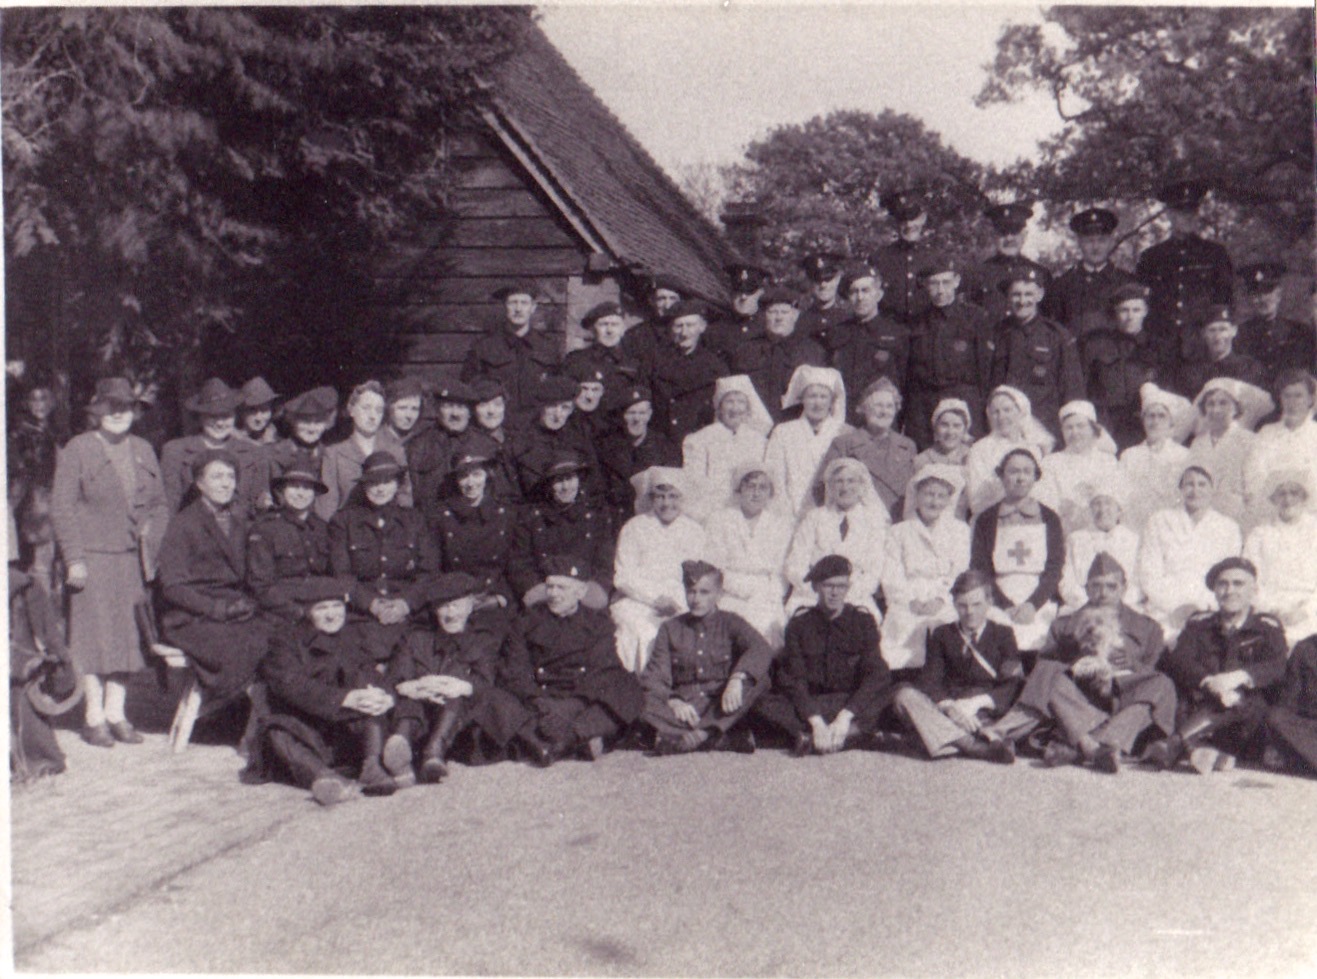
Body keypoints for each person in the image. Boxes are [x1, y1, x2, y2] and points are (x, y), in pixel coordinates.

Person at [51, 378, 171, 747]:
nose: (119, 414)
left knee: (127, 640)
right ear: (97, 411)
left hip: (132, 560)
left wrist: (151, 539)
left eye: (126, 407)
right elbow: (62, 507)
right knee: (93, 640)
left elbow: (160, 504)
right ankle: (93, 718)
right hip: (93, 558)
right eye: (111, 407)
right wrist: (74, 559)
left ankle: (117, 714)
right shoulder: (79, 448)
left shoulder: (143, 449)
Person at [982, 553, 1173, 773]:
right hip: (1076, 698)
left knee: (1162, 685)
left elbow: (1152, 671)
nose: (1103, 594)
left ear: (1124, 588)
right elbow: (1042, 672)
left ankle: (1085, 744)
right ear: (1086, 589)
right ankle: (1094, 746)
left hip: (1123, 699)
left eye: (1111, 586)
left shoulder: (1148, 628)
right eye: (1096, 586)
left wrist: (1132, 664)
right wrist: (1076, 657)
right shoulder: (1063, 626)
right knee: (1047, 670)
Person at [244, 577, 397, 805]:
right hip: (304, 725)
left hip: (342, 728)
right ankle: (325, 779)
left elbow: (370, 672)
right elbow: (291, 684)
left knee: (373, 704)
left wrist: (383, 696)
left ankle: (372, 766)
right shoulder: (284, 640)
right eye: (322, 608)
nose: (332, 614)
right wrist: (344, 698)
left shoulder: (351, 637)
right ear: (307, 611)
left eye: (337, 606)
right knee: (277, 733)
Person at [499, 558, 644, 764]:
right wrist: (538, 701)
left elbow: (603, 669)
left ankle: (568, 737)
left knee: (627, 686)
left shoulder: (598, 623)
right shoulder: (526, 621)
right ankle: (580, 739)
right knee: (498, 699)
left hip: (580, 698)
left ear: (580, 591)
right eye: (550, 587)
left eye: (562, 587)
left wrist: (573, 705)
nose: (553, 594)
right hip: (542, 697)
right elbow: (516, 669)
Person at [1148, 557, 1286, 773]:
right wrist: (1208, 681)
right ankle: (1208, 753)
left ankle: (1176, 744)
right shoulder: (1199, 625)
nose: (1229, 591)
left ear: (1254, 590)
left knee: (1245, 701)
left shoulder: (1267, 627)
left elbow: (1276, 666)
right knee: (1183, 699)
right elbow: (1180, 660)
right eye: (1223, 584)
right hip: (1203, 704)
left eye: (1238, 584)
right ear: (1214, 590)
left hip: (1244, 716)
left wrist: (1239, 677)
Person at [156, 450, 272, 708]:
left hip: (234, 611)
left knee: (276, 637)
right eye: (217, 477)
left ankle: (258, 714)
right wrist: (215, 608)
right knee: (238, 646)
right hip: (191, 617)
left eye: (230, 477)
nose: (225, 484)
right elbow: (173, 586)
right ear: (200, 483)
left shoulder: (240, 520)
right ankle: (225, 711)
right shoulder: (183, 524)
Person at [384, 573, 524, 783]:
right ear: (435, 610)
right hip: (419, 714)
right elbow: (396, 677)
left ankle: (433, 753)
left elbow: (485, 682)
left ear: (470, 606)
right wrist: (415, 686)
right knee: (409, 703)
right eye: (444, 607)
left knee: (455, 695)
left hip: (456, 723)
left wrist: (461, 686)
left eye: (456, 606)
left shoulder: (482, 641)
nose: (451, 614)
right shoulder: (416, 639)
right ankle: (400, 745)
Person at [754, 555, 893, 754]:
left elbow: (877, 673)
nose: (835, 593)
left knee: (895, 693)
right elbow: (793, 678)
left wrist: (846, 716)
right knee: (762, 701)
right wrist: (816, 721)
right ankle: (854, 735)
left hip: (849, 702)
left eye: (841, 586)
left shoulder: (863, 621)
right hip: (814, 704)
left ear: (848, 588)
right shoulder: (799, 624)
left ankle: (808, 738)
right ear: (815, 587)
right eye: (828, 586)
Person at [639, 560, 774, 753]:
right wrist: (674, 701)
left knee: (759, 680)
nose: (696, 599)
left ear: (719, 594)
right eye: (691, 591)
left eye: (704, 592)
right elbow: (656, 676)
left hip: (721, 703)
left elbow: (761, 648)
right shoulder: (670, 628)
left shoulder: (731, 622)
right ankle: (718, 737)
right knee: (640, 700)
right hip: (686, 708)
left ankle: (697, 736)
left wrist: (736, 679)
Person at [890, 569, 1021, 763]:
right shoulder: (942, 635)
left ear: (989, 602)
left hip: (984, 714)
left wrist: (976, 703)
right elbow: (930, 680)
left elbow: (1012, 683)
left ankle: (949, 740)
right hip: (949, 713)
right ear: (954, 604)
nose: (970, 612)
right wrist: (950, 708)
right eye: (962, 605)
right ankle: (973, 746)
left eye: (977, 604)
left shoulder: (1003, 634)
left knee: (1012, 716)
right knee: (903, 695)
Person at [328, 452, 440, 657]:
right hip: (362, 615)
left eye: (387, 481)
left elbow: (429, 573)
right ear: (364, 486)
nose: (380, 489)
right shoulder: (344, 522)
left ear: (397, 484)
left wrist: (406, 603)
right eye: (373, 483)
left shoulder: (415, 521)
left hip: (409, 614)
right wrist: (372, 604)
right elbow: (341, 575)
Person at [1135, 180, 1234, 384]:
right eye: (1181, 212)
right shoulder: (1151, 257)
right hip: (1162, 351)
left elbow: (1225, 303)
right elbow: (1142, 307)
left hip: (1202, 351)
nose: (1188, 217)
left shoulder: (1215, 254)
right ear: (1170, 215)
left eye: (1192, 211)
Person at [610, 467, 707, 672]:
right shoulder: (634, 527)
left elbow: (701, 576)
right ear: (651, 498)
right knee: (642, 631)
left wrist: (679, 602)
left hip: (681, 600)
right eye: (660, 496)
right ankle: (641, 684)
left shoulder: (694, 531)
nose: (666, 503)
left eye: (673, 496)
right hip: (637, 600)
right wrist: (654, 599)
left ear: (682, 498)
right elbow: (623, 576)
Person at [969, 447, 1065, 651]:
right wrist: (1005, 605)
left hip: (1039, 594)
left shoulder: (1050, 518)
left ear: (1035, 477)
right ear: (1002, 476)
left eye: (1026, 472)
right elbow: (981, 568)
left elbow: (1055, 567)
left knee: (1040, 637)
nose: (1020, 478)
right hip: (997, 595)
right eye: (1013, 471)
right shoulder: (986, 519)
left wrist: (1032, 604)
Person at [880, 465, 971, 670]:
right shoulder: (899, 531)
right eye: (929, 494)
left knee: (949, 629)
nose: (934, 501)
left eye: (941, 496)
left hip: (946, 596)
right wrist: (910, 600)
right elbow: (891, 574)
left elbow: (959, 571)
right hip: (908, 598)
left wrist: (940, 599)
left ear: (948, 500)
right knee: (901, 634)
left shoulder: (959, 531)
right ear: (917, 496)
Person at [1136, 465, 1242, 641]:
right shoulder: (1159, 521)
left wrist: (1200, 608)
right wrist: (1174, 607)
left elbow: (1228, 577)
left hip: (1210, 607)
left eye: (1202, 484)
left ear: (1212, 489)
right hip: (1164, 609)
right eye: (1189, 484)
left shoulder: (1228, 527)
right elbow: (1148, 574)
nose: (1195, 491)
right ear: (1180, 488)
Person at [785, 457, 889, 622]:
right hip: (812, 595)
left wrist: (844, 594)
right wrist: (819, 591)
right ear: (831, 487)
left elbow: (874, 571)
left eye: (851, 481)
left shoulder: (873, 521)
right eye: (839, 481)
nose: (845, 487)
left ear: (861, 486)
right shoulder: (814, 517)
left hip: (855, 595)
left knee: (863, 622)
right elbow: (795, 563)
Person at [905, 253, 992, 449]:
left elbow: (985, 371)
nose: (940, 290)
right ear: (926, 285)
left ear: (956, 281)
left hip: (963, 401)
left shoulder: (975, 318)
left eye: (945, 282)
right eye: (934, 283)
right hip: (924, 405)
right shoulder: (916, 321)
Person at [701, 463, 793, 647]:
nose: (756, 493)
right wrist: (740, 588)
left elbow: (782, 571)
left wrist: (769, 594)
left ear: (770, 492)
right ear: (739, 489)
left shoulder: (780, 525)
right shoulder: (720, 520)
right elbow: (713, 566)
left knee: (772, 637)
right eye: (751, 486)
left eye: (763, 487)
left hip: (766, 595)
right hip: (729, 594)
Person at [508, 455, 615, 611]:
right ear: (549, 484)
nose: (565, 487)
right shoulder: (533, 518)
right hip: (546, 598)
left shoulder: (596, 516)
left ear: (579, 479)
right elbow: (520, 563)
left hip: (583, 599)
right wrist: (544, 592)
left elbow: (605, 563)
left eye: (570, 478)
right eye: (559, 480)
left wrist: (586, 592)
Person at [989, 267, 1085, 438]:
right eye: (1016, 294)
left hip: (1044, 425)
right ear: (1008, 297)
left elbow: (1072, 388)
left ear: (1039, 295)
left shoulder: (1057, 335)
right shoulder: (996, 333)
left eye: (1028, 294)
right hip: (1003, 425)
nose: (1022, 301)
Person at [161, 378, 269, 518]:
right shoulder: (176, 450)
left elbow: (260, 506)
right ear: (200, 417)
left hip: (240, 528)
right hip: (193, 528)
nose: (220, 423)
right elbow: (169, 504)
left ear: (235, 415)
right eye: (212, 416)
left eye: (226, 415)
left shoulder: (254, 453)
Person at [817, 377, 917, 519]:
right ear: (864, 409)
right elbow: (822, 488)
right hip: (859, 522)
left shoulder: (907, 446)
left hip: (897, 521)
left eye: (890, 406)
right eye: (878, 405)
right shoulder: (844, 444)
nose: (884, 411)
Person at [460, 280, 561, 418]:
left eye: (524, 303)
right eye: (513, 302)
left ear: (533, 307)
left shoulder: (548, 347)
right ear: (504, 306)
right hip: (498, 422)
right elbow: (469, 388)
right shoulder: (484, 348)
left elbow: (557, 390)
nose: (518, 309)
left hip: (537, 424)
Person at [764, 365, 852, 520]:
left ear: (831, 401)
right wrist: (785, 512)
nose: (817, 403)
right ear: (802, 399)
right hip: (790, 513)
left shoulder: (844, 432)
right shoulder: (783, 432)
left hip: (832, 513)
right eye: (812, 396)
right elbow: (774, 475)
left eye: (823, 397)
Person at [245, 467, 332, 623]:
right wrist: (300, 612)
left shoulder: (322, 528)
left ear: (314, 493)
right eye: (294, 487)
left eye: (307, 488)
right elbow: (261, 587)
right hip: (282, 613)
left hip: (323, 607)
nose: (300, 493)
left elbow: (334, 576)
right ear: (282, 491)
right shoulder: (266, 528)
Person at [681, 374, 773, 522]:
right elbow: (694, 484)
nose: (735, 408)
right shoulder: (700, 440)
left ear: (748, 408)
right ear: (719, 408)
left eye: (741, 402)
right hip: (711, 514)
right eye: (729, 401)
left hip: (749, 514)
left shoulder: (760, 442)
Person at [1081, 282, 1162, 450]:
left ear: (1145, 312)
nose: (1130, 316)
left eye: (1136, 310)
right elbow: (1088, 387)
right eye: (1124, 310)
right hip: (1109, 425)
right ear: (1116, 312)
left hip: (1145, 425)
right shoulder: (1098, 346)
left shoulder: (1157, 346)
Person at [317, 380, 412, 521]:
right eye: (366, 408)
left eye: (378, 410)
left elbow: (405, 499)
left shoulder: (395, 451)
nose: (372, 416)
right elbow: (326, 507)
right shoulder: (334, 454)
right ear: (351, 410)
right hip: (347, 529)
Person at [431, 452, 516, 610]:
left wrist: (501, 597)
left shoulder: (505, 514)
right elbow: (433, 566)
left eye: (477, 475)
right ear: (456, 480)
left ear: (487, 476)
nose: (470, 483)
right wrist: (451, 597)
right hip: (454, 598)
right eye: (463, 476)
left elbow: (514, 563)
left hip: (493, 596)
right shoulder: (441, 516)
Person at [727, 288, 826, 422]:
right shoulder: (746, 351)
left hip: (796, 426)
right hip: (754, 425)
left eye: (784, 312)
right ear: (764, 315)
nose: (778, 318)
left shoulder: (813, 352)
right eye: (772, 312)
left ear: (795, 315)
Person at [1243, 469, 1317, 646]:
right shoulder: (1259, 534)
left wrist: (1306, 610)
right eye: (1282, 493)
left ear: (1304, 497)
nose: (1288, 499)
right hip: (1270, 608)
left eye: (1294, 493)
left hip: (1310, 609)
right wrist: (1271, 609)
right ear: (1273, 499)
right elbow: (1249, 579)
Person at [828, 264, 910, 421]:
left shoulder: (897, 333)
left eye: (865, 291)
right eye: (854, 292)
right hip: (844, 418)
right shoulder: (837, 333)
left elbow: (905, 382)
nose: (860, 298)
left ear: (878, 295)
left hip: (881, 419)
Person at [1187, 376, 1273, 525]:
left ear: (1236, 408)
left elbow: (1256, 489)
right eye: (1210, 404)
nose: (1216, 409)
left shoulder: (1249, 441)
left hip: (1235, 517)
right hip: (1201, 518)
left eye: (1223, 403)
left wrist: (1248, 523)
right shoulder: (1198, 443)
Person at [509, 375, 603, 504]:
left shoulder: (578, 439)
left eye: (565, 408)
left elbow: (595, 485)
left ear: (572, 410)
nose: (558, 415)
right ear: (540, 406)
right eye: (552, 406)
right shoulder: (522, 441)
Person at [964, 385, 1055, 517]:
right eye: (996, 412)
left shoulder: (1034, 448)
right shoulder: (980, 449)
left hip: (1032, 516)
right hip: (994, 517)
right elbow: (975, 497)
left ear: (1020, 412)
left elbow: (1044, 489)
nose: (1001, 417)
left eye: (1007, 410)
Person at [595, 385, 681, 523]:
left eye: (642, 413)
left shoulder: (664, 448)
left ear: (649, 414)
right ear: (622, 415)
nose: (637, 419)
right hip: (616, 518)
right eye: (631, 413)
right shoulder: (606, 447)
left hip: (652, 519)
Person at [1117, 382, 1195, 533]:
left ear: (1171, 421)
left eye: (1161, 416)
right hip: (1134, 526)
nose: (1155, 421)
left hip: (1170, 527)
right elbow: (1120, 494)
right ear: (1143, 420)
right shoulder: (1129, 456)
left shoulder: (1183, 455)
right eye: (1150, 416)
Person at [9, 379, 64, 589]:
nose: (39, 405)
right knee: (39, 560)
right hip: (35, 502)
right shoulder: (20, 434)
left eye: (44, 399)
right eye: (34, 399)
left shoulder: (58, 431)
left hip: (58, 497)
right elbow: (21, 473)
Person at [1046, 207, 1136, 337]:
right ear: (1079, 243)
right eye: (1089, 241)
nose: (1096, 247)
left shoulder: (1127, 282)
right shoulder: (1062, 285)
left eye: (1101, 240)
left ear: (1110, 242)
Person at [649, 299, 729, 444]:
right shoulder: (655, 361)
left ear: (702, 327)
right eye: (678, 326)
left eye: (690, 325)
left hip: (701, 440)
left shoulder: (715, 366)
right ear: (670, 329)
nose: (684, 333)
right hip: (663, 441)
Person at [1035, 400, 1120, 535]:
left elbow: (1116, 501)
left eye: (1080, 426)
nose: (1074, 432)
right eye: (1069, 428)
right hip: (1065, 531)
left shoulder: (1108, 461)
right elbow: (1045, 502)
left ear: (1093, 429)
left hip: (1104, 532)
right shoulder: (1050, 462)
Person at [398, 378, 476, 525]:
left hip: (472, 527)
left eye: (461, 407)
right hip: (430, 526)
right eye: (448, 406)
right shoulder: (418, 445)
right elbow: (407, 496)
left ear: (470, 412)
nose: (455, 414)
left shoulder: (482, 445)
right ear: (437, 409)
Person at [1244, 370, 1317, 523]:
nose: (1292, 402)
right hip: (1270, 514)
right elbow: (1253, 473)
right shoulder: (1266, 433)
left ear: (1311, 399)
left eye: (1298, 395)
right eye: (1287, 395)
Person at [964, 202, 1051, 324]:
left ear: (1024, 235)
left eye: (1014, 232)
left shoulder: (1041, 273)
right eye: (1003, 233)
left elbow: (1049, 319)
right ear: (994, 236)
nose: (1009, 238)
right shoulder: (978, 274)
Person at [1235, 261, 1315, 390]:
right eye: (1256, 294)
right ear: (1249, 299)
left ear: (1278, 294)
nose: (1262, 299)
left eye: (1267, 292)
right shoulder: (1240, 334)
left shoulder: (1301, 332)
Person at [1058, 490, 1141, 613]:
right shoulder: (1075, 539)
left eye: (1108, 503)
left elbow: (1138, 583)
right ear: (1090, 510)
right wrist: (1088, 604)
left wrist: (1116, 605)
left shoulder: (1134, 540)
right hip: (1082, 607)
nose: (1102, 509)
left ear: (1119, 510)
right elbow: (1067, 581)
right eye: (1097, 504)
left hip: (1124, 608)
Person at [563, 301, 646, 416]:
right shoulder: (576, 360)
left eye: (615, 325)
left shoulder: (634, 362)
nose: (609, 331)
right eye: (603, 324)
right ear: (593, 329)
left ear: (623, 330)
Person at [871, 190, 935, 325]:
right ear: (895, 223)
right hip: (890, 332)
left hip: (928, 332)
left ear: (923, 218)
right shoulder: (879, 258)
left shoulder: (936, 257)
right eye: (902, 220)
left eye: (913, 218)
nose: (909, 225)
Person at [1177, 306, 1267, 398]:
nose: (1217, 337)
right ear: (1203, 333)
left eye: (1223, 329)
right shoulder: (1192, 372)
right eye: (1212, 330)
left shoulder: (1249, 368)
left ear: (1234, 331)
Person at [906, 399, 974, 520]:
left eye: (957, 426)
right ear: (935, 428)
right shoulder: (922, 461)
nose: (950, 432)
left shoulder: (972, 458)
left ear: (965, 430)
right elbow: (912, 503)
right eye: (944, 425)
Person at [1262, 634, 1317, 777]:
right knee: (1276, 717)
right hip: (1311, 727)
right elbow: (1288, 701)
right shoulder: (1305, 649)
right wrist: (1275, 741)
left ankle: (1299, 760)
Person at [265, 385, 337, 488]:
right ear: (292, 420)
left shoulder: (331, 456)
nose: (312, 428)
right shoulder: (272, 453)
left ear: (327, 424)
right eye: (305, 421)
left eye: (318, 422)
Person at [467, 377, 522, 504]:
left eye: (497, 404)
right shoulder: (468, 444)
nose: (491, 411)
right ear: (473, 409)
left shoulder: (516, 439)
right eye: (483, 404)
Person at [706, 263, 769, 360]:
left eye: (749, 292)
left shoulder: (768, 330)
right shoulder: (715, 328)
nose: (743, 297)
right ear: (731, 292)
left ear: (760, 293)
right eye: (738, 291)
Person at [794, 251, 851, 350]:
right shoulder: (800, 319)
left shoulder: (850, 316)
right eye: (817, 280)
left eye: (828, 279)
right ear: (810, 282)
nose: (823, 285)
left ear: (838, 279)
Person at [236, 377, 280, 446]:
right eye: (252, 409)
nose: (258, 417)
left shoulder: (273, 436)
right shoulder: (227, 436)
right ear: (241, 410)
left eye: (264, 409)